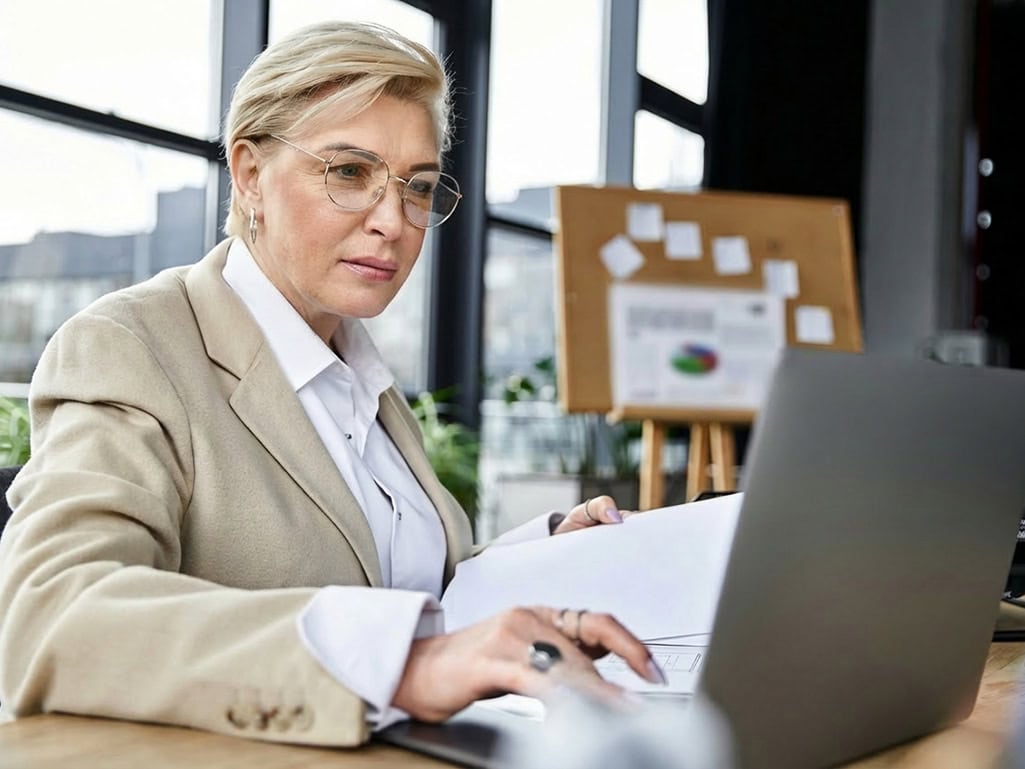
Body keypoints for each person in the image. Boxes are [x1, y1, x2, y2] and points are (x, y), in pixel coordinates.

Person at [0, 21, 663, 746]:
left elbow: (391, 590)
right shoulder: (132, 346)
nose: (394, 221)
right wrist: (405, 664)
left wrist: (534, 562)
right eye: (349, 172)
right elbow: (52, 615)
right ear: (249, 174)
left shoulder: (363, 378)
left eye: (416, 186)